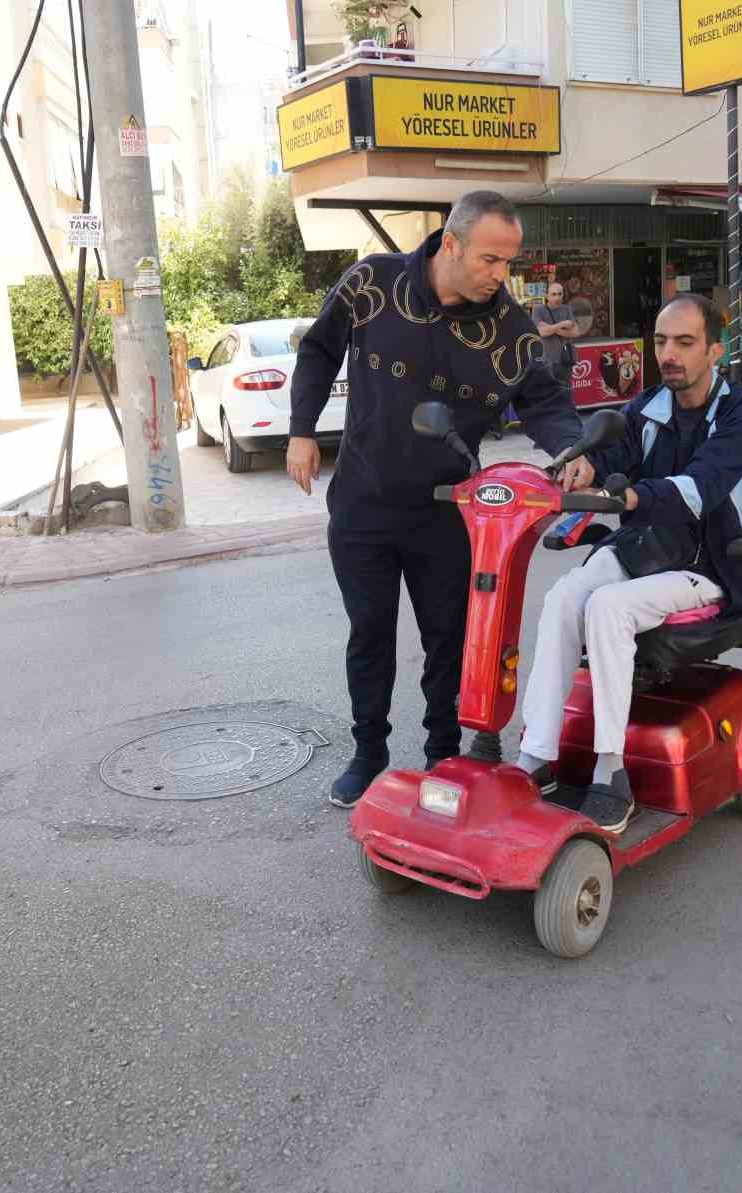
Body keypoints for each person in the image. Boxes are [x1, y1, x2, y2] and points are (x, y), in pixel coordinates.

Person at [287, 191, 587, 807]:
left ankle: (442, 755)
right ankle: (368, 752)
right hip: (364, 503)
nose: (500, 277)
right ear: (450, 244)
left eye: (509, 263)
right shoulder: (374, 281)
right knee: (369, 634)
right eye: (489, 260)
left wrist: (571, 450)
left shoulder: (508, 326)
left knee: (449, 639)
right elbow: (319, 349)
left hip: (449, 510)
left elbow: (545, 400)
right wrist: (300, 431)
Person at [514, 295, 742, 833]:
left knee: (607, 606)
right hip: (650, 551)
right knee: (563, 597)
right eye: (660, 341)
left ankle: (611, 772)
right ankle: (537, 757)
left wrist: (630, 498)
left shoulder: (741, 412)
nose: (668, 354)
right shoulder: (648, 407)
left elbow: (703, 487)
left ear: (715, 350)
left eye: (684, 342)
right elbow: (612, 453)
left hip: (712, 566)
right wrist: (581, 466)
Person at [531, 282, 580, 385]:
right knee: (548, 394)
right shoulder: (538, 309)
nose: (557, 297)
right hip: (547, 361)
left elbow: (576, 332)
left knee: (565, 392)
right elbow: (541, 332)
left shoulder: (566, 309)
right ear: (547, 296)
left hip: (565, 360)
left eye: (560, 294)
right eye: (553, 294)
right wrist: (562, 324)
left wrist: (550, 328)